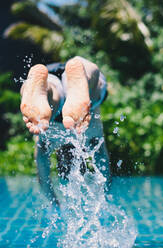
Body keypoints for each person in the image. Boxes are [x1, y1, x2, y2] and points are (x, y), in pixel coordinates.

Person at [20, 56, 110, 206]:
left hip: (52, 78)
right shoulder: (53, 137)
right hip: (52, 91)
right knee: (55, 100)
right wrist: (104, 196)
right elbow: (42, 165)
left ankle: (78, 80)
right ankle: (45, 90)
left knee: (92, 82)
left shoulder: (89, 131)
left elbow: (41, 167)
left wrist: (54, 202)